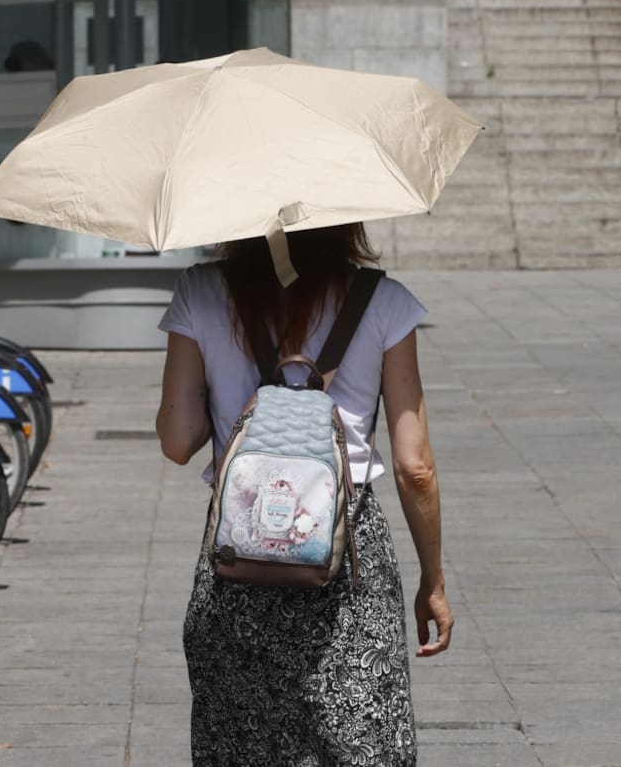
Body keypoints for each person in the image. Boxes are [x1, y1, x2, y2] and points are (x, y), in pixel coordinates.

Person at [155, 224, 452, 766]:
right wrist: (432, 579)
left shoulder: (200, 292)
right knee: (360, 736)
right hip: (348, 554)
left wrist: (233, 411)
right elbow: (416, 467)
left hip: (238, 553)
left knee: (243, 742)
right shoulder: (382, 300)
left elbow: (178, 441)